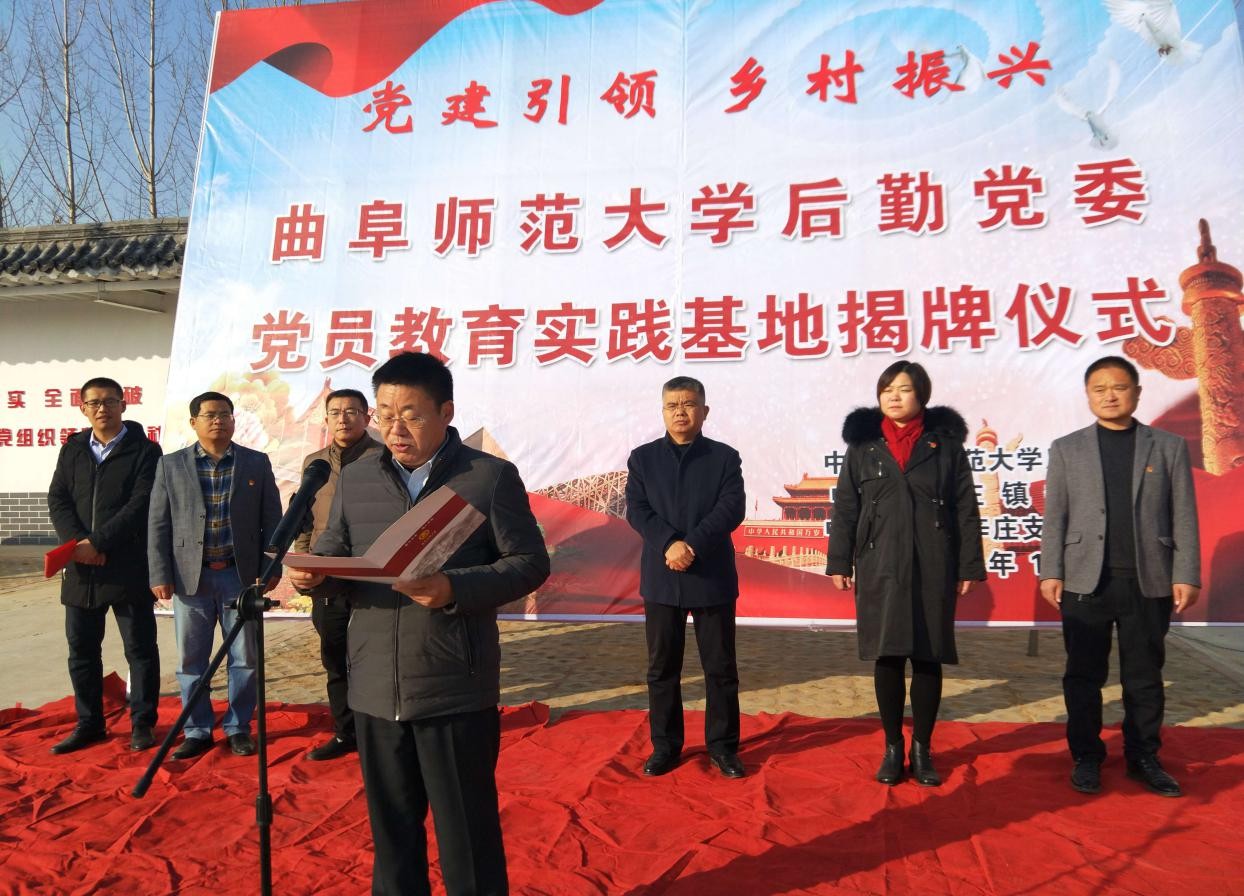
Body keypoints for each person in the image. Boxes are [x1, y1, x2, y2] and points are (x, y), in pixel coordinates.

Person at [287, 351, 549, 896]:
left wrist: (455, 587)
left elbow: (529, 564)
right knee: (393, 840)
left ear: (445, 413)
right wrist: (316, 576)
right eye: (384, 415)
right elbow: (335, 551)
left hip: (452, 686)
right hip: (373, 686)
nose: (394, 429)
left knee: (467, 841)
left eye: (410, 415)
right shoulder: (357, 476)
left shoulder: (486, 477)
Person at [1040, 355, 1200, 798]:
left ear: (1136, 393)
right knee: (1083, 675)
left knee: (1144, 675)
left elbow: (1184, 514)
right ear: (1088, 395)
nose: (1109, 396)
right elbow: (1055, 516)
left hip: (1149, 579)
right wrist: (1051, 570)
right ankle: (1086, 756)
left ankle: (1143, 756)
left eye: (1119, 387)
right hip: (1084, 580)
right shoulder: (1067, 448)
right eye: (1099, 389)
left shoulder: (1167, 446)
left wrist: (1186, 572)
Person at [827, 361, 984, 787]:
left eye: (904, 389)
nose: (894, 396)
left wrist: (969, 565)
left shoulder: (945, 446)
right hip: (879, 562)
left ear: (922, 395)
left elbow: (965, 509)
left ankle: (923, 749)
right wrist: (839, 561)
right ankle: (893, 747)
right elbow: (846, 507)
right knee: (889, 654)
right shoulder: (864, 447)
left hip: (934, 561)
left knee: (928, 655)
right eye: (887, 390)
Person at [147, 391, 282, 759]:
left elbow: (272, 519)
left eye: (225, 414)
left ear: (234, 420)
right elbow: (158, 523)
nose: (219, 420)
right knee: (191, 662)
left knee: (245, 658)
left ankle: (239, 727)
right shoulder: (171, 465)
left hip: (240, 578)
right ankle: (197, 729)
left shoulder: (255, 462)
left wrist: (272, 567)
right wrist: (159, 572)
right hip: (191, 578)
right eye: (210, 415)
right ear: (194, 422)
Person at [625, 376, 747, 779]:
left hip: (711, 574)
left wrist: (691, 545)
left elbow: (731, 508)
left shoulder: (725, 458)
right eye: (672, 405)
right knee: (662, 668)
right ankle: (665, 745)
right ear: (663, 411)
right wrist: (669, 544)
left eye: (689, 404)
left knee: (720, 668)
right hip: (662, 576)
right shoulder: (642, 459)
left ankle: (723, 747)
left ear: (704, 411)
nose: (680, 412)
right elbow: (637, 510)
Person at [46, 376, 163, 754]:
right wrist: (79, 543)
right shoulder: (73, 449)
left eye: (110, 401)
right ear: (82, 408)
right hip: (81, 570)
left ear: (123, 405)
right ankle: (89, 723)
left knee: (140, 649)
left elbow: (141, 503)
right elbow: (58, 498)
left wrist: (98, 542)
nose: (102, 408)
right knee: (81, 650)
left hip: (127, 565)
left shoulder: (146, 451)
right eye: (94, 402)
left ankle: (142, 723)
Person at [293, 388, 382, 762]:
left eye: (351, 411)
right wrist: (303, 556)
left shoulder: (385, 458)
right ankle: (346, 733)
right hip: (326, 575)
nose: (343, 418)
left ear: (367, 416)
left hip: (371, 575)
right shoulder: (315, 463)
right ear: (325, 418)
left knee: (374, 657)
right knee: (334, 656)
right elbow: (303, 517)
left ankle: (379, 733)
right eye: (335, 412)